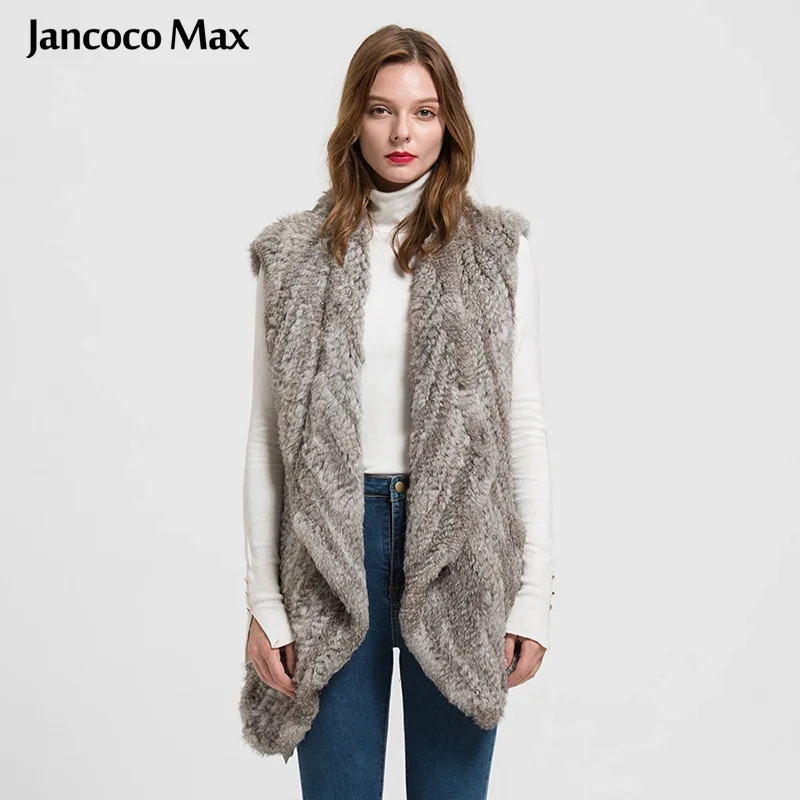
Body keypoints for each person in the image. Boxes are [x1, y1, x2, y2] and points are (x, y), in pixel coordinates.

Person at [240, 24, 555, 799]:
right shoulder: (293, 255)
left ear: (449, 123)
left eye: (424, 111)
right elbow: (266, 441)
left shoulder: (497, 249)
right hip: (330, 549)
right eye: (381, 110)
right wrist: (264, 602)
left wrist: (534, 593)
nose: (402, 133)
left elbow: (521, 425)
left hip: (462, 550)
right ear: (355, 119)